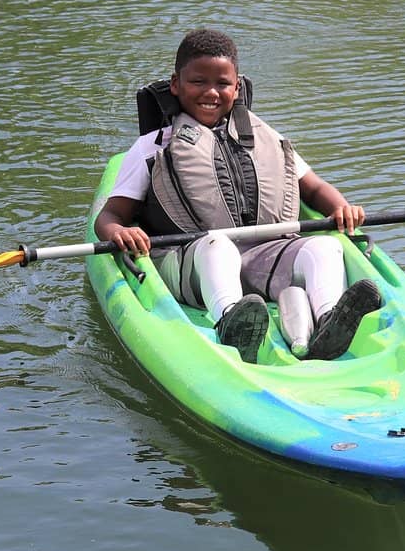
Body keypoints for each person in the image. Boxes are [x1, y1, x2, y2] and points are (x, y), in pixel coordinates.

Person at [94, 28, 380, 364]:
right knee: (218, 246)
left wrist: (341, 208)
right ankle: (232, 320)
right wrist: (120, 232)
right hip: (193, 262)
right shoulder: (153, 146)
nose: (211, 92)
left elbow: (313, 188)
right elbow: (109, 218)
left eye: (222, 83)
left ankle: (331, 319)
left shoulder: (265, 136)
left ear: (237, 86)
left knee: (324, 245)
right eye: (198, 81)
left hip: (266, 254)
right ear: (176, 84)